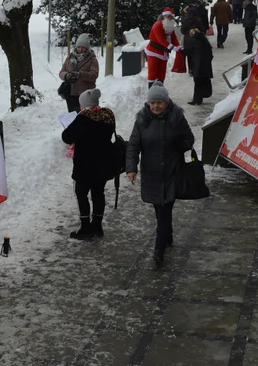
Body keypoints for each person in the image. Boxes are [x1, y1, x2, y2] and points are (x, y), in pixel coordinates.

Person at [125, 82, 195, 262]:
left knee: (165, 208)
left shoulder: (176, 117)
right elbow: (133, 145)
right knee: (159, 207)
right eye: (152, 103)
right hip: (152, 173)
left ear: (166, 102)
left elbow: (189, 139)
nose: (156, 106)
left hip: (172, 170)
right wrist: (131, 168)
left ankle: (158, 251)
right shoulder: (142, 120)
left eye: (159, 102)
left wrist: (179, 146)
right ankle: (167, 234)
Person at [60, 87, 115, 240]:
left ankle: (85, 227)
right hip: (103, 162)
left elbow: (66, 137)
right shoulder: (108, 116)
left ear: (83, 104)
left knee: (81, 193)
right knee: (98, 193)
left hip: (85, 164)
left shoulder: (83, 118)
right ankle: (97, 225)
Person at [59, 33, 100, 113]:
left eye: (83, 47)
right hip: (71, 94)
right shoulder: (70, 57)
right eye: (79, 47)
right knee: (73, 116)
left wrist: (80, 74)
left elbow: (94, 75)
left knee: (85, 116)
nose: (81, 49)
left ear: (87, 48)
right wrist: (67, 75)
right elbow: (61, 72)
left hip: (86, 95)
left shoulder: (92, 59)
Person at [145, 9, 183, 83]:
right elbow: (160, 39)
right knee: (153, 73)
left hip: (164, 53)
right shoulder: (157, 25)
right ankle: (152, 92)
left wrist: (178, 46)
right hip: (154, 52)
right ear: (164, 15)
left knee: (161, 74)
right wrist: (172, 47)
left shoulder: (170, 26)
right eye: (169, 16)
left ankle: (160, 90)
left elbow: (174, 38)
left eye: (171, 16)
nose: (170, 18)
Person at [183, 26, 213, 105]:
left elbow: (186, 51)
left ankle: (196, 100)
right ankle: (202, 96)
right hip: (206, 65)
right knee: (203, 81)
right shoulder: (205, 40)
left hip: (197, 65)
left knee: (197, 83)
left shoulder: (192, 41)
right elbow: (211, 54)